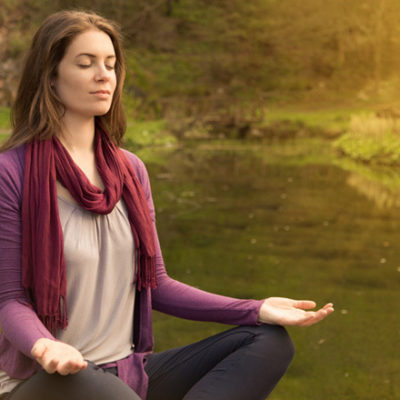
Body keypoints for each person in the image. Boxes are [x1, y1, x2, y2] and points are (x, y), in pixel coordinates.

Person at [0, 10, 334, 400]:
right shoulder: (12, 173)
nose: (104, 75)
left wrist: (255, 308)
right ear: (51, 76)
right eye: (85, 63)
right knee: (95, 386)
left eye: (110, 64)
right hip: (46, 382)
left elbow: (156, 286)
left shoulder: (130, 171)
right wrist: (46, 346)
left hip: (125, 375)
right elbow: (9, 301)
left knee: (268, 342)